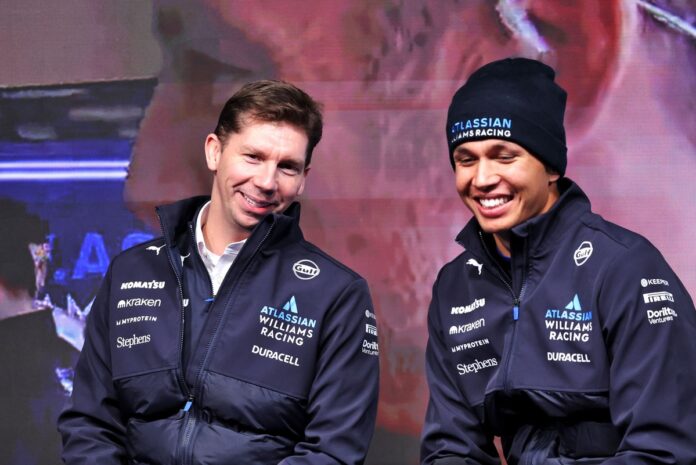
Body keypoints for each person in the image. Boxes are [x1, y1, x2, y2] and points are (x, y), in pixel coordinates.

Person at [58, 80, 380, 465]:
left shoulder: (336, 294)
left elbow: (333, 452)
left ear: (303, 179)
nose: (266, 182)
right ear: (214, 151)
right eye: (253, 157)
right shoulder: (130, 271)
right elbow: (90, 425)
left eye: (287, 167)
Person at [420, 58, 696, 464]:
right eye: (466, 159)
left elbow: (664, 452)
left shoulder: (625, 267)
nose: (482, 179)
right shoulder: (455, 286)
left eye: (504, 156)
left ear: (550, 166)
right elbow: (451, 447)